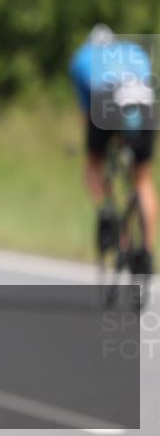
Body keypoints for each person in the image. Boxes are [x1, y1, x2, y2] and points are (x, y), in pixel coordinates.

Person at [69, 24, 156, 275]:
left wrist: (93, 147)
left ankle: (110, 217)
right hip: (142, 102)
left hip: (105, 99)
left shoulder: (81, 58)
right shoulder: (133, 51)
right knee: (142, 179)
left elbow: (88, 112)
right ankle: (146, 251)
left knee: (93, 164)